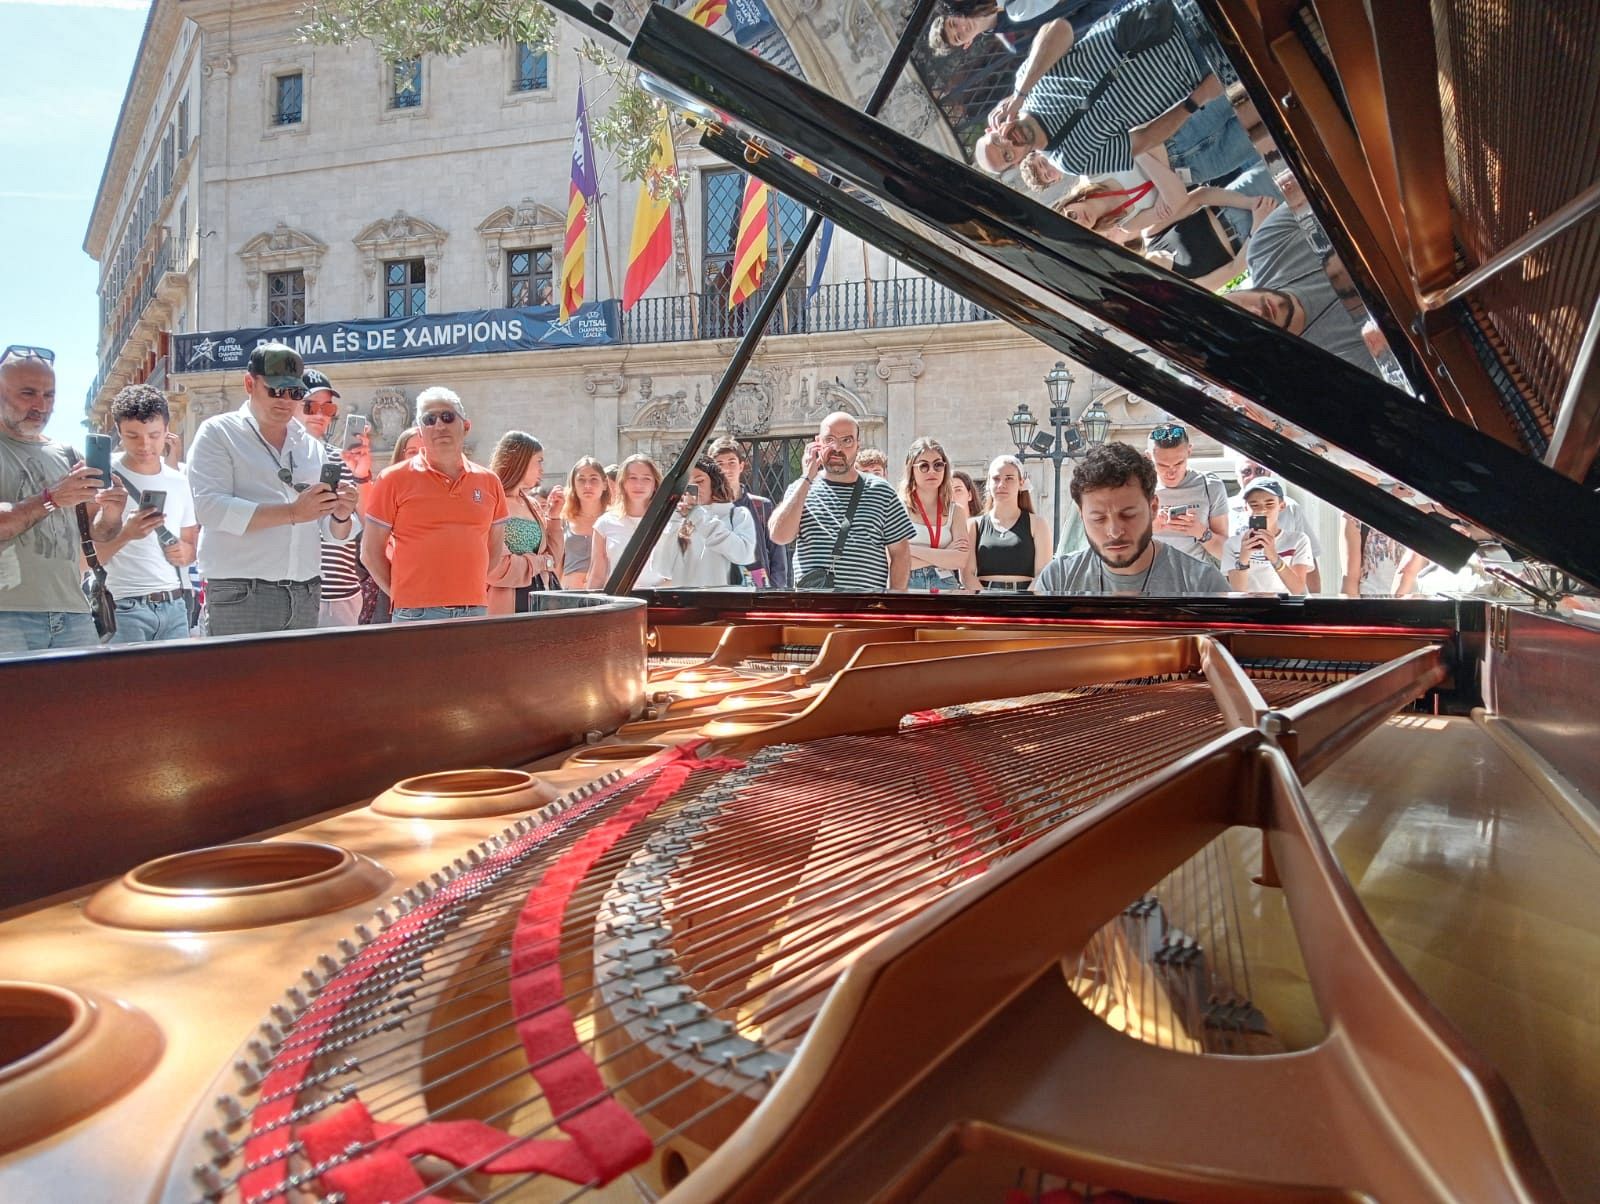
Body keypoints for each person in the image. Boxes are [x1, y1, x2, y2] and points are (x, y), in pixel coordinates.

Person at [974, 3, 1259, 197]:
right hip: (1196, 67)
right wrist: (1198, 100)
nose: (1011, 143)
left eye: (999, 142)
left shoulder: (1027, 84)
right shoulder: (1071, 161)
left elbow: (1059, 29)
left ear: (993, 129)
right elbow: (1144, 140)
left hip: (1171, 12)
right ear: (1017, 162)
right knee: (1266, 25)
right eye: (1008, 155)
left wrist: (1019, 94)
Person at [187, 342, 359, 636]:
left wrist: (340, 514)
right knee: (239, 682)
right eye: (275, 390)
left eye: (294, 393)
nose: (285, 401)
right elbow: (210, 510)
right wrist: (292, 512)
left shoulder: (310, 446)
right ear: (249, 384)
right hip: (241, 592)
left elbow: (333, 534)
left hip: (305, 592)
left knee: (300, 683)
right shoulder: (218, 432)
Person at [0, 346, 127, 654]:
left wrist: (112, 512)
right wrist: (51, 499)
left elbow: (99, 533)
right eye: (28, 393)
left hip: (74, 613)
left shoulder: (69, 455)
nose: (40, 405)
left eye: (49, 395)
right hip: (8, 615)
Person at [360, 387, 507, 623]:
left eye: (447, 417)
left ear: (466, 426)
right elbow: (370, 552)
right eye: (429, 419)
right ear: (420, 431)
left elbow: (496, 546)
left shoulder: (489, 482)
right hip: (415, 616)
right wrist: (405, 596)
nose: (439, 425)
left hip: (474, 611)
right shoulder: (392, 479)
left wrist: (469, 586)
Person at [1037, 441, 1228, 594]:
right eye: (1098, 518)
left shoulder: (1203, 584)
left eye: (1128, 515)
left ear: (1153, 507)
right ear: (1082, 515)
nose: (1114, 531)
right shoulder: (1058, 580)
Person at [96, 384, 198, 644]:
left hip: (175, 605)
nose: (145, 445)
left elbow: (191, 544)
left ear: (167, 431)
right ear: (119, 431)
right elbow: (86, 559)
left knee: (176, 686)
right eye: (133, 436)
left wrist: (184, 552)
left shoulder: (179, 480)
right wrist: (127, 534)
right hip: (123, 608)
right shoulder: (102, 475)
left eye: (154, 435)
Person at [769, 411, 915, 591]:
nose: (837, 448)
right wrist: (807, 478)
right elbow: (779, 536)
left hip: (864, 611)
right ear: (817, 443)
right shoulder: (799, 489)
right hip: (814, 610)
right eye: (829, 439)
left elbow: (900, 554)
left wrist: (893, 604)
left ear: (857, 446)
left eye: (847, 440)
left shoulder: (882, 491)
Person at [1225, 205, 1378, 373]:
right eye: (1250, 328)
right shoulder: (1329, 363)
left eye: (1237, 306)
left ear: (1231, 292)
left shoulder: (1265, 246)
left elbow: (1324, 196)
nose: (1256, 312)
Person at [1053, 178, 1279, 290]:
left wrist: (1249, 203)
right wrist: (1258, 226)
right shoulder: (1181, 285)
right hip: (1258, 232)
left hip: (1237, 200)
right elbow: (1235, 269)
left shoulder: (1152, 233)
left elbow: (1199, 196)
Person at [295, 367, 368, 628]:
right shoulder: (277, 457)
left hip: (341, 594)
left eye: (328, 409)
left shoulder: (344, 458)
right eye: (309, 406)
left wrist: (362, 475)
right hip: (294, 592)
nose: (319, 415)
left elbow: (368, 524)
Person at [648, 457, 757, 588]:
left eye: (700, 481)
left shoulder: (738, 515)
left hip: (726, 600)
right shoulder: (678, 521)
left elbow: (743, 554)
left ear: (714, 482)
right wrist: (675, 518)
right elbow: (661, 569)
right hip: (687, 602)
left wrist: (698, 516)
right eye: (686, 485)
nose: (694, 487)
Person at [487, 431, 564, 615]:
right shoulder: (491, 502)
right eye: (539, 461)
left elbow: (553, 559)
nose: (542, 469)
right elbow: (496, 569)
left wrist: (554, 518)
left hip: (542, 600)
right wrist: (540, 563)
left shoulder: (532, 504)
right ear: (520, 461)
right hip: (506, 607)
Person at [1229, 456, 1323, 591]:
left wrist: (1316, 604)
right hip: (1245, 600)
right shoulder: (1226, 509)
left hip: (1285, 601)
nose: (1253, 476)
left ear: (1269, 472)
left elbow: (1310, 558)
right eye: (1246, 472)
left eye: (1260, 471)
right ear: (1237, 475)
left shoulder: (1290, 507)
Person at [709, 436, 786, 587]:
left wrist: (775, 589)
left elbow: (777, 554)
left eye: (731, 462)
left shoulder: (761, 506)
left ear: (741, 466)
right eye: (720, 464)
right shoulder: (705, 510)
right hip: (716, 586)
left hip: (756, 585)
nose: (726, 469)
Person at [1146, 423, 1227, 564]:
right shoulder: (1139, 488)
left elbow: (1226, 553)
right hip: (1151, 579)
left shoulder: (1210, 485)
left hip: (1195, 580)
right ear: (1149, 456)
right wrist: (1148, 529)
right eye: (1162, 465)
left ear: (1189, 451)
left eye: (1178, 463)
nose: (1171, 472)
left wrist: (1201, 533)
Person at [900, 437, 974, 590]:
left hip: (946, 583)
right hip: (907, 583)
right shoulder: (899, 508)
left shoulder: (956, 511)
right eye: (924, 466)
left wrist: (910, 550)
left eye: (938, 465)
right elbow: (894, 559)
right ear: (911, 470)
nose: (932, 471)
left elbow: (960, 560)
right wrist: (945, 553)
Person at [968, 454, 1051, 590]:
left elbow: (1042, 573)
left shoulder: (1038, 524)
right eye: (996, 479)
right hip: (984, 601)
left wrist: (1024, 603)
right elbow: (967, 574)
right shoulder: (974, 525)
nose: (1001, 485)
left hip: (1024, 600)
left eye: (1009, 479)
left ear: (1021, 483)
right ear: (988, 483)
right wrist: (984, 602)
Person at [587, 453, 668, 590]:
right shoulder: (605, 523)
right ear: (623, 483)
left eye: (646, 479)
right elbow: (597, 575)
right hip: (623, 602)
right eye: (632, 478)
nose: (639, 484)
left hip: (663, 601)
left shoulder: (670, 520)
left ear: (655, 484)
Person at [928, 0, 1122, 56]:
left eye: (954, 24)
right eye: (958, 37)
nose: (962, 29)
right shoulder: (1018, 42)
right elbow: (1072, 26)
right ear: (967, 43)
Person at [559, 456, 610, 590]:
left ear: (604, 484)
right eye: (581, 480)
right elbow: (557, 563)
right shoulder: (564, 519)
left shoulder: (613, 520)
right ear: (574, 485)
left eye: (594, 479)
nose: (588, 486)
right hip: (568, 595)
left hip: (603, 595)